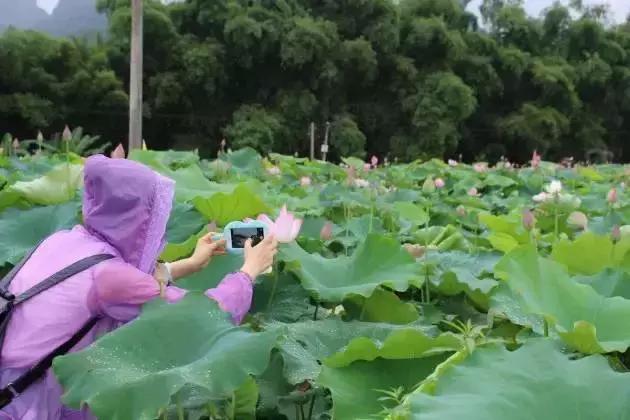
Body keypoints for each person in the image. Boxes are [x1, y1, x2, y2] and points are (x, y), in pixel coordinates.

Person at [0, 155, 278, 419]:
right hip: (30, 402)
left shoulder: (65, 241)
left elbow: (119, 286)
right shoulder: (110, 278)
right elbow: (201, 319)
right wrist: (249, 271)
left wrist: (190, 264)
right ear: (138, 219)